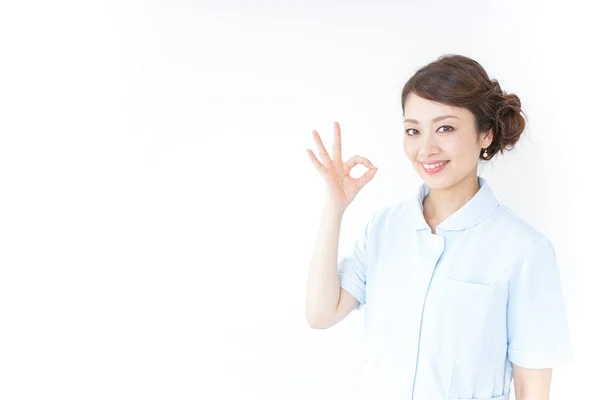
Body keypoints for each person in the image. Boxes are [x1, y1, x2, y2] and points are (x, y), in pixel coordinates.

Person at [304, 54, 572, 400]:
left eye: (445, 128)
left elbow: (532, 389)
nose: (427, 148)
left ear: (485, 134)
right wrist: (334, 210)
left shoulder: (524, 249)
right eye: (413, 130)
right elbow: (321, 314)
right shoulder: (384, 228)